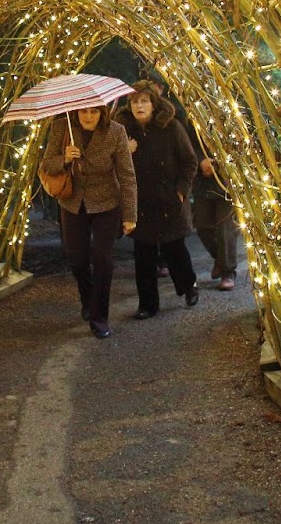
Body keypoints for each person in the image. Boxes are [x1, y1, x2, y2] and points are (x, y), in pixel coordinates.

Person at [40, 104, 136, 339]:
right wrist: (64, 158)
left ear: (102, 114)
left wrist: (130, 215)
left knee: (103, 259)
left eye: (94, 112)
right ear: (76, 112)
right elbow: (45, 165)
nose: (89, 117)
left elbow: (127, 175)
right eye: (84, 112)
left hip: (106, 203)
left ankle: (99, 317)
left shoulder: (116, 131)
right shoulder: (62, 128)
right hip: (73, 203)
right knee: (77, 259)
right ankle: (88, 297)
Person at [115, 81, 199, 319]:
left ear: (154, 104)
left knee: (175, 248)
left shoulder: (171, 128)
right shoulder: (122, 131)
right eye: (134, 102)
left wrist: (181, 191)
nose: (139, 106)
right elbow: (112, 165)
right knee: (144, 255)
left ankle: (188, 286)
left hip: (169, 199)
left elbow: (189, 161)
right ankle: (147, 305)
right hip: (140, 202)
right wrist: (125, 152)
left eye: (144, 101)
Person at [192, 129, 240, 290]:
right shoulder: (189, 116)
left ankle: (228, 270)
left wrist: (218, 163)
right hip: (202, 181)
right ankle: (220, 259)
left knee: (225, 227)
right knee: (202, 225)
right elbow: (188, 141)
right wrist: (201, 161)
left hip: (228, 180)